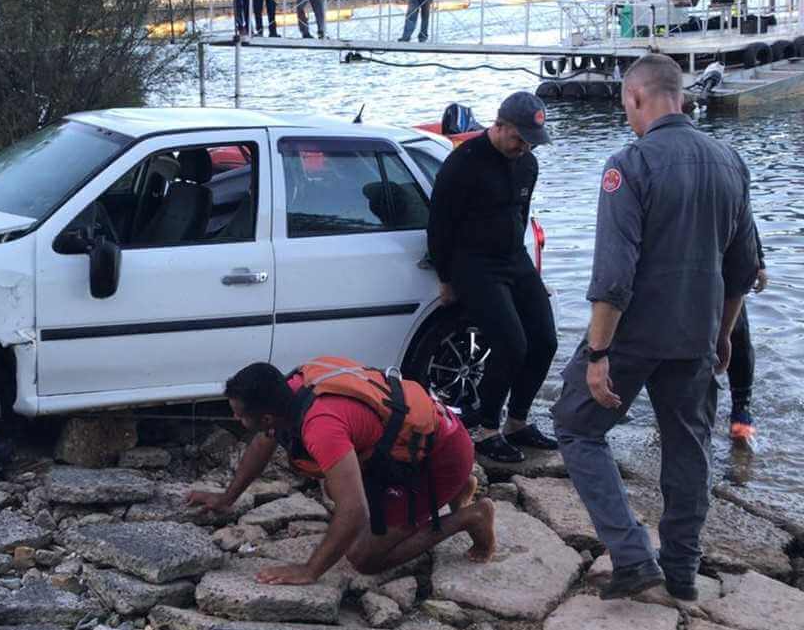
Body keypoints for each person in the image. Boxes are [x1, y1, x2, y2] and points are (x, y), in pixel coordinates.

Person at [553, 53, 758, 602]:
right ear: (682, 96)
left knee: (575, 427)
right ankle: (682, 572)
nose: (626, 115)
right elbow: (743, 269)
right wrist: (723, 333)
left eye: (625, 105)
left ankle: (631, 556)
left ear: (636, 97)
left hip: (633, 336)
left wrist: (598, 354)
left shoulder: (630, 165)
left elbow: (613, 276)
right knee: (689, 448)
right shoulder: (731, 162)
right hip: (697, 333)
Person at [186, 359, 496, 585]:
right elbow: (262, 443)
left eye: (240, 416)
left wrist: (310, 570)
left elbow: (354, 511)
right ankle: (457, 488)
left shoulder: (322, 428)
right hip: (435, 437)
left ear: (267, 417)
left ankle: (472, 516)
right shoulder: (292, 388)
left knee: (364, 558)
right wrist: (227, 498)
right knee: (335, 486)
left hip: (441, 458)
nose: (237, 420)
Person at [426, 92, 559, 463]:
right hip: (474, 263)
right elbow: (439, 224)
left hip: (514, 258)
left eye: (531, 142)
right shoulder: (463, 162)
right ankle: (486, 429)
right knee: (511, 343)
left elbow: (521, 213)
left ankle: (517, 422)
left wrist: (527, 269)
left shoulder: (527, 164)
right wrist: (445, 278)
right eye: (519, 138)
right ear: (499, 125)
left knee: (545, 340)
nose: (524, 147)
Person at [726, 229, 767, 445]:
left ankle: (741, 409)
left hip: (723, 260)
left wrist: (758, 261)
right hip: (676, 265)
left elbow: (744, 216)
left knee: (737, 333)